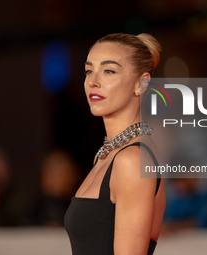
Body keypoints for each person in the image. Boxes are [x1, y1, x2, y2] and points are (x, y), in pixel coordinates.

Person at [64, 33, 166, 255]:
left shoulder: (132, 160)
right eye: (89, 70)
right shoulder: (106, 155)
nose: (93, 81)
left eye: (108, 71)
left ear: (141, 83)